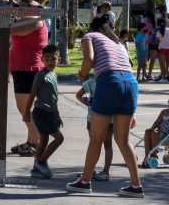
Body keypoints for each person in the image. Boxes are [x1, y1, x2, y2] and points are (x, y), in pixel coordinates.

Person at [67, 16, 143, 198]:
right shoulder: (116, 42)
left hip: (109, 82)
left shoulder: (89, 36)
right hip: (130, 84)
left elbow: (89, 59)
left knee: (96, 138)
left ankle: (84, 182)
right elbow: (125, 68)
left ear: (92, 28)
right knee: (123, 140)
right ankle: (135, 185)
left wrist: (83, 74)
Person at [8, 0, 50, 156]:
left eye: (23, 6)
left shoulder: (35, 21)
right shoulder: (31, 20)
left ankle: (37, 141)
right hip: (24, 68)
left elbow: (7, 29)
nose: (20, 8)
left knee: (25, 109)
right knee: (27, 108)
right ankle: (32, 141)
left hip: (29, 69)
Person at [23, 45, 63, 179]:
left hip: (50, 113)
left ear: (59, 59)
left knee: (44, 140)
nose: (50, 62)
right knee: (59, 138)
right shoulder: (41, 75)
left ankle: (36, 168)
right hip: (41, 112)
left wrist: (57, 115)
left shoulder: (53, 75)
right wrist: (27, 112)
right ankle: (41, 161)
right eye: (47, 59)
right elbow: (33, 93)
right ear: (42, 60)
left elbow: (54, 98)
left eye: (53, 59)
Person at [75, 74, 114, 181]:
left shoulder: (92, 82)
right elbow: (79, 95)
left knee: (97, 144)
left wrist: (88, 103)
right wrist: (88, 103)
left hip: (96, 117)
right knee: (105, 144)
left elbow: (78, 95)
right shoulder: (110, 81)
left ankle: (101, 171)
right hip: (105, 117)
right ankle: (99, 171)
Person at [140, 101, 169, 169]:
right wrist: (152, 128)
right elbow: (156, 123)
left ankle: (153, 154)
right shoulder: (164, 112)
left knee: (155, 133)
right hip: (162, 134)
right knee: (148, 132)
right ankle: (147, 156)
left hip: (167, 136)